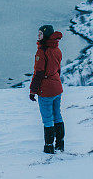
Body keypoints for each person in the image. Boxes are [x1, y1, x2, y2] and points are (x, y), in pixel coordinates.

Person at [29, 24, 64, 154]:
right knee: (57, 115)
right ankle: (60, 144)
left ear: (46, 35)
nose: (38, 36)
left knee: (48, 118)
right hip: (57, 87)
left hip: (46, 90)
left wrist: (33, 90)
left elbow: (38, 72)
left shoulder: (42, 52)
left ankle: (49, 146)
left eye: (40, 34)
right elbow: (57, 69)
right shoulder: (57, 50)